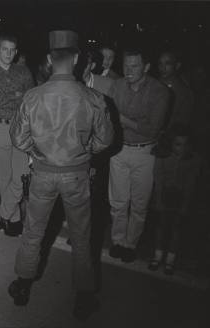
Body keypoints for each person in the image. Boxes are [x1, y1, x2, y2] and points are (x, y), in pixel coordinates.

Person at [8, 30, 114, 320]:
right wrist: (84, 150)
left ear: (49, 59)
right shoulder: (92, 97)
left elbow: (18, 139)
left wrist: (38, 151)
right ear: (77, 58)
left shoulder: (33, 96)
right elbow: (105, 140)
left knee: (33, 232)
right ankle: (82, 298)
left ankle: (22, 286)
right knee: (82, 237)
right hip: (77, 175)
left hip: (42, 172)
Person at [86, 46, 170, 263]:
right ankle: (118, 241)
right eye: (125, 66)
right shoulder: (117, 86)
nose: (129, 70)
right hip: (119, 150)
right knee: (118, 201)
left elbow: (152, 129)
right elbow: (107, 116)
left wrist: (123, 120)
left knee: (140, 204)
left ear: (147, 67)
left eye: (134, 66)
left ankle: (131, 244)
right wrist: (130, 123)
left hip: (146, 153)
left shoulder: (159, 91)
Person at [0, 33, 35, 236]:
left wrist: (1, 95)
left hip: (20, 128)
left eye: (12, 50)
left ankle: (3, 214)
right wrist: (15, 95)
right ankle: (14, 221)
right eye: (4, 49)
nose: (8, 53)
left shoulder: (24, 72)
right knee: (4, 178)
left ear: (16, 51)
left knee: (21, 176)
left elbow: (29, 100)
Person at [150, 126, 202, 275]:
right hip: (164, 195)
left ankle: (170, 260)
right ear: (170, 143)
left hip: (182, 197)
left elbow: (191, 184)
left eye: (186, 144)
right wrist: (158, 200)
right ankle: (158, 255)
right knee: (161, 225)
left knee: (176, 228)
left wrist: (185, 205)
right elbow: (158, 179)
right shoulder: (162, 156)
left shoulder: (195, 160)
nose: (182, 148)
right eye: (178, 144)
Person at [157, 50, 194, 130]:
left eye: (167, 63)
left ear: (177, 66)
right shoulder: (152, 84)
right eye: (160, 63)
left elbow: (182, 123)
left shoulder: (184, 92)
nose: (163, 68)